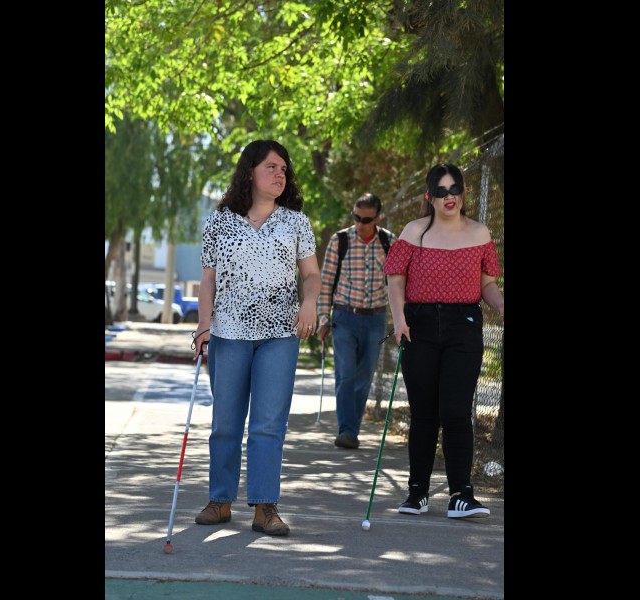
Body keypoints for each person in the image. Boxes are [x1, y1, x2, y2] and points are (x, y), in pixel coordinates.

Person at [191, 139, 321, 537]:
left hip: (280, 334)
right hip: (228, 333)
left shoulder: (296, 222)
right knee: (225, 423)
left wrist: (310, 303)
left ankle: (266, 507)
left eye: (284, 169)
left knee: (268, 424)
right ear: (250, 171)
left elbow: (311, 274)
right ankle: (220, 501)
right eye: (271, 167)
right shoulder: (219, 221)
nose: (280, 174)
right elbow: (208, 280)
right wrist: (203, 325)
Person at [383, 163, 504, 519]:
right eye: (441, 191)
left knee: (455, 412)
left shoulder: (480, 233)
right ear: (429, 197)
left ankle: (461, 495)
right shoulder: (414, 231)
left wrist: (500, 305)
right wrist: (400, 319)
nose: (449, 196)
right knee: (423, 413)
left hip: (463, 325)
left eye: (455, 189)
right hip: (418, 325)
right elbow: (395, 278)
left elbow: (486, 284)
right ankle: (417, 493)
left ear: (463, 193)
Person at [316, 193, 397, 449]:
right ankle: (347, 431)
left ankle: (352, 427)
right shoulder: (340, 240)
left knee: (364, 378)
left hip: (376, 319)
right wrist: (323, 319)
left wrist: (401, 317)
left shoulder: (389, 242)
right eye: (356, 217)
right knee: (346, 375)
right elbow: (326, 283)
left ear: (378, 218)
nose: (360, 223)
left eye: (366, 219)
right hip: (344, 317)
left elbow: (397, 284)